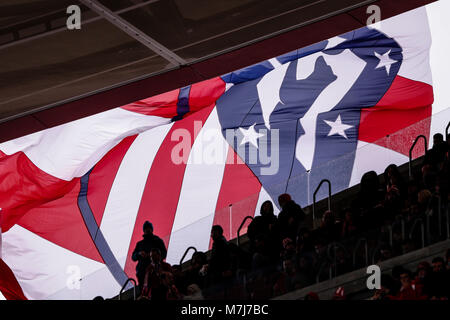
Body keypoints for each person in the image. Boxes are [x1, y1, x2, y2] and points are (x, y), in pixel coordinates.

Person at [131, 221, 167, 293]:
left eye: (149, 228)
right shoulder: (140, 244)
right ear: (143, 230)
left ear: (152, 229)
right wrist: (139, 254)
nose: (148, 230)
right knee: (145, 292)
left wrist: (154, 257)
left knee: (157, 290)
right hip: (142, 272)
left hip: (156, 271)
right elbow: (133, 257)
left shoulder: (158, 241)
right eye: (146, 228)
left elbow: (164, 254)